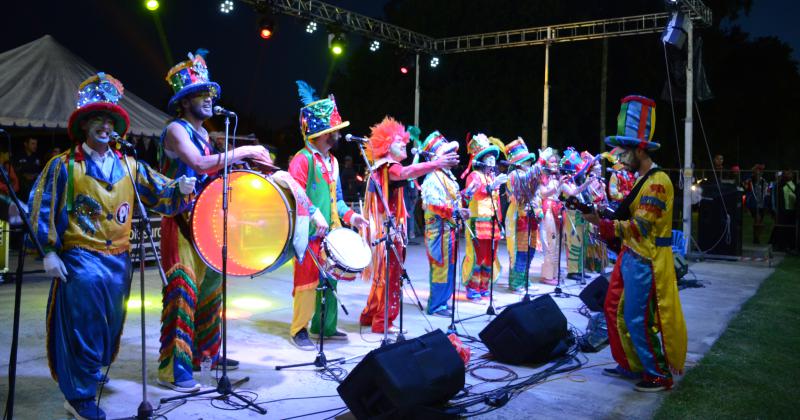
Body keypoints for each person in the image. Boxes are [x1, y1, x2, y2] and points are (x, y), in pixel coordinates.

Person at [28, 73, 195, 420]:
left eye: (109, 120)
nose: (104, 126)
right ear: (84, 124)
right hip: (81, 258)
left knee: (109, 326)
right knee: (85, 326)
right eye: (96, 119)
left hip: (119, 261)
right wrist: (49, 252)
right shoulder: (63, 166)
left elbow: (159, 192)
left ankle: (88, 379)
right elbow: (41, 206)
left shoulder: (129, 165)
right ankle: (80, 395)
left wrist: (180, 188)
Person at [157, 51, 273, 392]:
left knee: (211, 290)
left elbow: (213, 171)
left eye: (210, 94)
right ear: (184, 101)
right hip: (178, 220)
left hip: (204, 221)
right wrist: (245, 151)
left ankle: (204, 350)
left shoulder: (206, 134)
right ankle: (173, 368)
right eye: (201, 94)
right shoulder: (175, 131)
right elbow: (201, 164)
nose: (209, 99)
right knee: (183, 290)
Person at [584, 95, 687, 392]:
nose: (618, 155)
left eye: (625, 149)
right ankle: (630, 363)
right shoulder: (642, 179)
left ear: (640, 150)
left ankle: (657, 373)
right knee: (613, 308)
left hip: (647, 258)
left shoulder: (657, 181)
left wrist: (601, 223)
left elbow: (641, 227)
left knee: (636, 316)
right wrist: (602, 214)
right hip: (632, 255)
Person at [288, 81, 368, 350]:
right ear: (322, 133)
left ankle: (325, 327)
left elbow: (339, 200)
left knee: (329, 281)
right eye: (333, 130)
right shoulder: (302, 159)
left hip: (331, 233)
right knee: (307, 282)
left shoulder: (332, 161)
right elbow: (295, 192)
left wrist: (351, 217)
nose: (336, 134)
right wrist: (312, 213)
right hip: (309, 234)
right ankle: (299, 329)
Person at [360, 117, 458, 333]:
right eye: (398, 141)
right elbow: (404, 173)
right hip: (390, 232)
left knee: (383, 276)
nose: (404, 143)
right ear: (386, 146)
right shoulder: (389, 166)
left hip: (388, 230)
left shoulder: (382, 167)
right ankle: (382, 322)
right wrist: (436, 163)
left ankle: (370, 315)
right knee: (391, 277)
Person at [419, 131, 465, 317]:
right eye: (449, 153)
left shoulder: (447, 177)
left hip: (449, 230)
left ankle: (443, 302)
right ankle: (436, 305)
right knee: (440, 268)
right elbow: (431, 205)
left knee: (449, 267)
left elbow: (454, 201)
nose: (454, 156)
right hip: (438, 231)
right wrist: (455, 212)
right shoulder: (432, 178)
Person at [460, 134, 507, 301]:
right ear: (481, 160)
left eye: (493, 158)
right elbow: (476, 195)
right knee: (478, 256)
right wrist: (491, 187)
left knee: (490, 257)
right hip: (477, 222)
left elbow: (497, 204)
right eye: (488, 158)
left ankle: (484, 286)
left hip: (491, 223)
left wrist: (500, 222)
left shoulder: (492, 177)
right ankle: (473, 287)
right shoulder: (474, 176)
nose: (492, 161)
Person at [503, 138, 539, 293]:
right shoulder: (514, 175)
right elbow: (520, 192)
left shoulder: (528, 175)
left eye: (530, 162)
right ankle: (516, 282)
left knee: (531, 250)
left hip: (531, 216)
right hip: (519, 216)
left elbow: (535, 194)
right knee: (520, 251)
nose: (529, 164)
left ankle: (525, 279)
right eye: (526, 161)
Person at [574, 152, 609, 273]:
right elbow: (587, 199)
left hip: (601, 212)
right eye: (596, 168)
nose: (599, 170)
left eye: (600, 168)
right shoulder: (589, 184)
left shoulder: (601, 183)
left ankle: (601, 265)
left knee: (601, 239)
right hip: (592, 212)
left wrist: (604, 205)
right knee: (592, 239)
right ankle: (591, 265)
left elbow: (604, 198)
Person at [533, 147, 561, 285]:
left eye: (556, 162)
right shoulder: (542, 177)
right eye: (552, 162)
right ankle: (547, 276)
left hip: (556, 211)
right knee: (549, 243)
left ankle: (553, 274)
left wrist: (586, 184)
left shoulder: (556, 177)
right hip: (547, 211)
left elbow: (572, 192)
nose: (555, 164)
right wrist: (558, 186)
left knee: (555, 244)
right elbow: (544, 194)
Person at [744, 164, 769, 244]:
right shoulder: (750, 180)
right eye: (757, 171)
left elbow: (766, 192)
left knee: (760, 221)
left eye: (760, 171)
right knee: (757, 219)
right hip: (753, 203)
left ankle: (756, 237)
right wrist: (752, 169)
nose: (759, 173)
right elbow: (744, 180)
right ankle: (756, 238)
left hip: (762, 203)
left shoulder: (763, 181)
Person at [606, 147, 635, 212]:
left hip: (630, 205)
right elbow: (613, 194)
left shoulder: (630, 174)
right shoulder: (615, 175)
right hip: (619, 206)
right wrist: (625, 194)